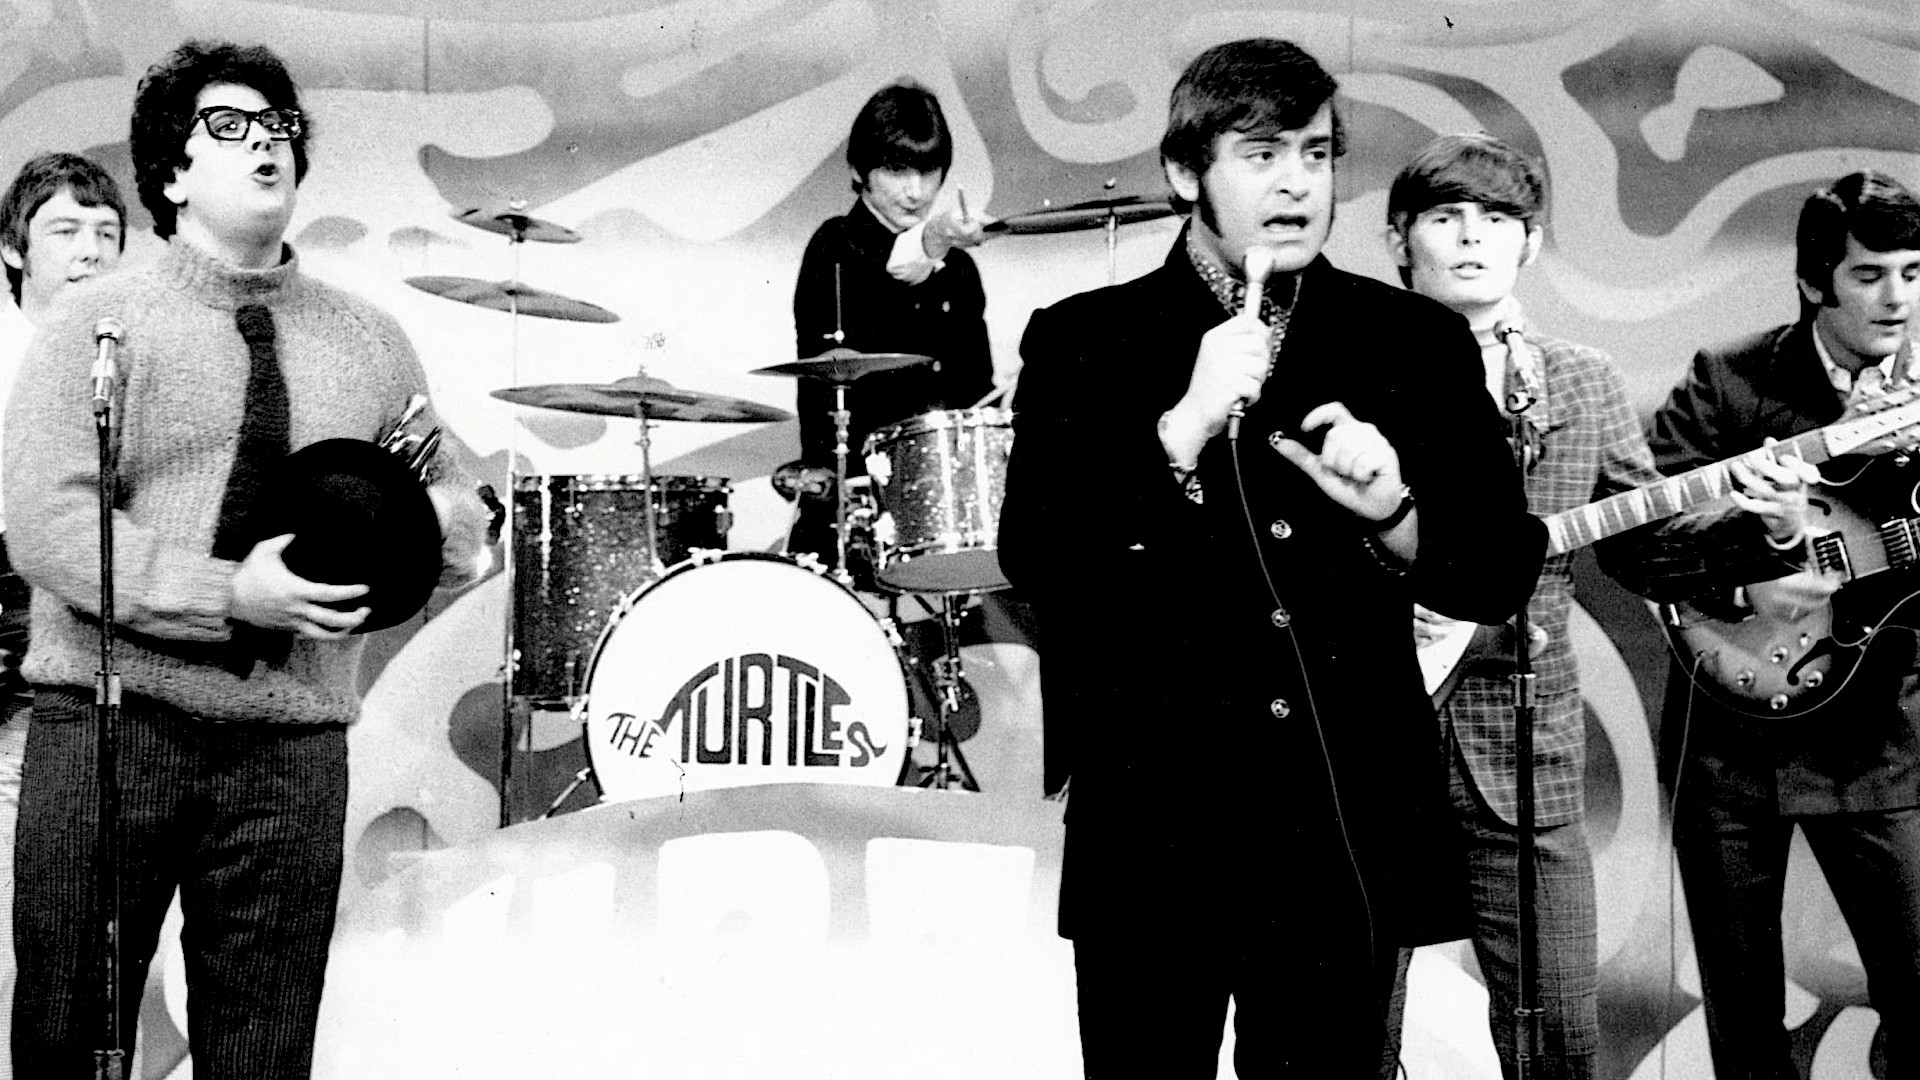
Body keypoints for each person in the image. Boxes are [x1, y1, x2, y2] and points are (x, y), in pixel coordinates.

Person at [997, 38, 1546, 1076]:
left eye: (1317, 153)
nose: (1298, 182)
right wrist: (1178, 432)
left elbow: (1497, 569)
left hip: (1338, 828)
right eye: (1261, 155)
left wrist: (1396, 514)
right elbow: (1040, 557)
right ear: (1184, 173)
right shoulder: (1086, 340)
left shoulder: (1413, 341)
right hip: (1157, 827)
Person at [3, 41, 487, 1077]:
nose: (267, 141)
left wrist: (451, 529)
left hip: (290, 747)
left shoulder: (371, 341)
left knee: (264, 1057)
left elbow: (440, 513)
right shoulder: (96, 324)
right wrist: (229, 594)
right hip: (111, 725)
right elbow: (46, 524)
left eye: (280, 126)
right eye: (230, 125)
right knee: (67, 1042)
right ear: (171, 173)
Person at [1603, 170, 1920, 1078]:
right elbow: (1635, 541)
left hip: (1877, 743)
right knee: (1742, 1025)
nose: (1897, 299)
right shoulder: (1730, 377)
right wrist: (1757, 555)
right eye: (1869, 275)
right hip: (1728, 749)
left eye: (1913, 273)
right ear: (1816, 281)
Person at [1379, 133, 1664, 1078]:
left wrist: (1765, 527)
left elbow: (1647, 549)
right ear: (1398, 241)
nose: (1473, 238)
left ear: (1530, 243)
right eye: (1446, 217)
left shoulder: (1580, 377)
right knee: (1346, 1030)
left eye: (1498, 219)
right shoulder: (1351, 368)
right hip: (1369, 734)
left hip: (1524, 741)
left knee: (1559, 1037)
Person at [0, 152, 126, 1080]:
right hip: (15, 676)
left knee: (67, 954)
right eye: (65, 230)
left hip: (91, 685)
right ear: (15, 251)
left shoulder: (125, 361)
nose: (90, 250)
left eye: (107, 233)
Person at [784, 79, 995, 577]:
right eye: (897, 170)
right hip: (854, 508)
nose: (915, 191)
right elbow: (888, 275)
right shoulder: (835, 247)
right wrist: (934, 236)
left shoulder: (959, 269)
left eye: (928, 171)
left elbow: (976, 391)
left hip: (947, 511)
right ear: (859, 169)